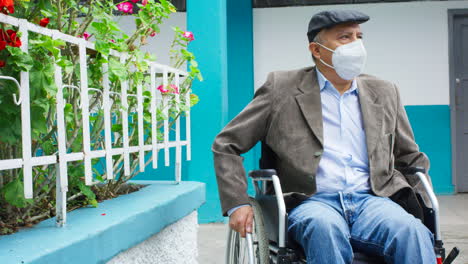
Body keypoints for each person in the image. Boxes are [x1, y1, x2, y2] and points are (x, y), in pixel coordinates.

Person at [212, 9, 436, 263]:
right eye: (344, 37)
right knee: (325, 229)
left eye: (358, 36)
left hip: (371, 200)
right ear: (316, 50)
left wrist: (426, 206)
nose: (356, 45)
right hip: (312, 201)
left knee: (412, 231)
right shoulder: (281, 88)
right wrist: (237, 203)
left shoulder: (384, 92)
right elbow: (226, 144)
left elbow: (409, 156)